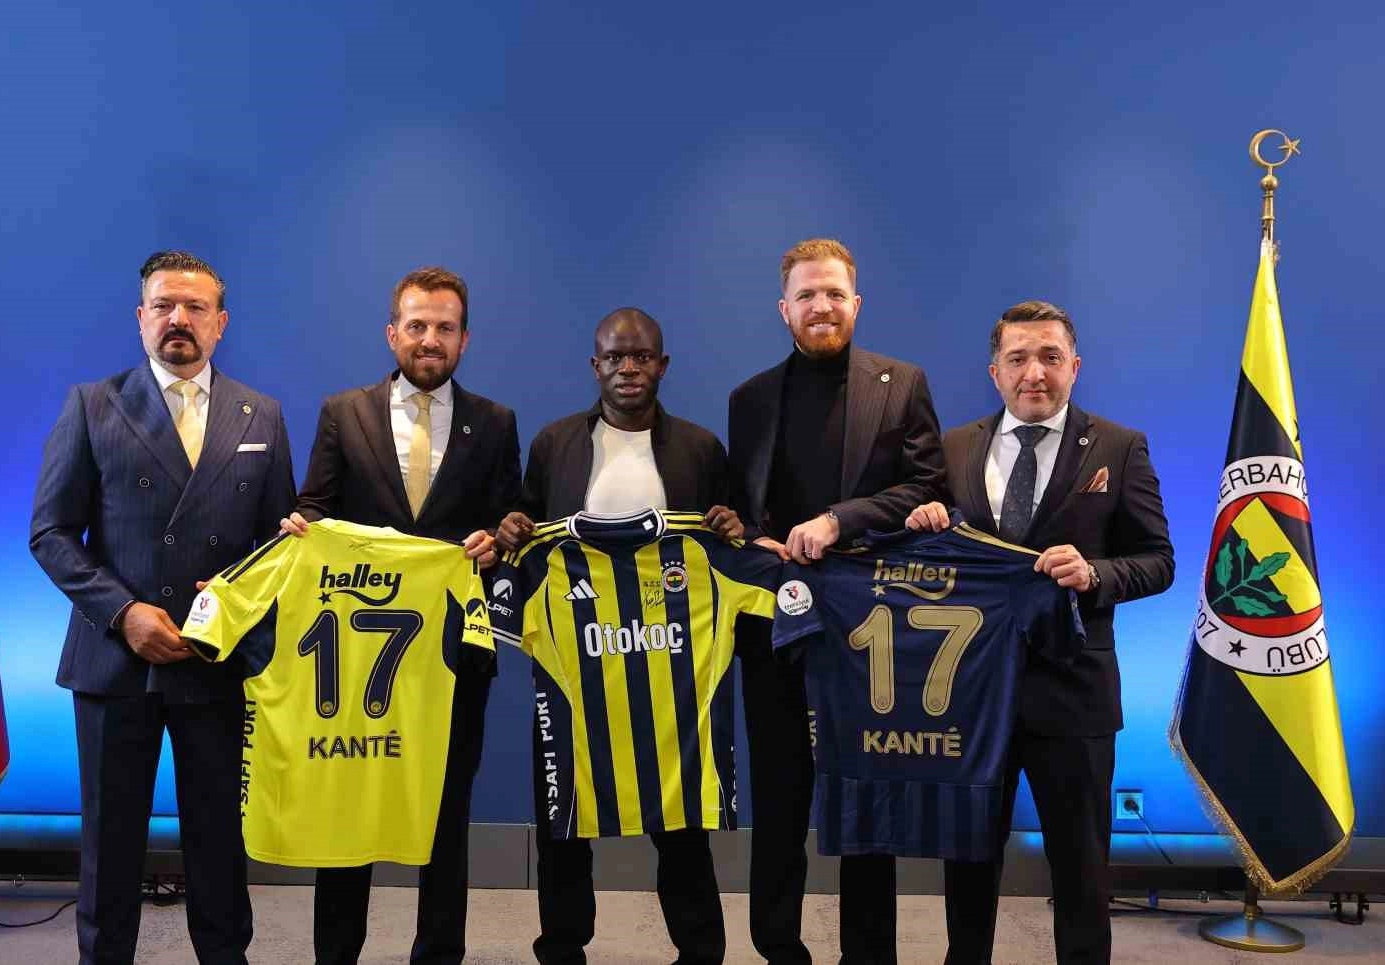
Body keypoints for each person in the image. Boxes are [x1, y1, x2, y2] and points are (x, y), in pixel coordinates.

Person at [31, 251, 296, 965]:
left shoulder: (263, 414)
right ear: (141, 317)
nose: (179, 318)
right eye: (164, 306)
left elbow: (277, 547)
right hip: (115, 661)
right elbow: (50, 532)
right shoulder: (93, 404)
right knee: (110, 838)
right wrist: (125, 613)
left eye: (195, 307)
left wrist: (242, 610)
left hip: (216, 661)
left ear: (221, 323)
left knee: (219, 837)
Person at [906, 300, 1174, 965]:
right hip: (972, 696)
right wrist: (922, 526)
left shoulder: (1119, 447)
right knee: (968, 862)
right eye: (1018, 358)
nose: (1035, 373)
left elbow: (1159, 560)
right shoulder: (953, 448)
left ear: (1074, 366)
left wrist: (1096, 573)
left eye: (1050, 357)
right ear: (994, 372)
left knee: (1081, 869)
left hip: (1074, 694)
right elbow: (934, 562)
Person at [282, 266, 521, 965]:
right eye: (417, 325)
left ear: (465, 339)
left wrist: (497, 540)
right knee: (349, 808)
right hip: (359, 658)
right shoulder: (343, 412)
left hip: (452, 651)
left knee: (445, 811)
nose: (430, 339)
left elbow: (509, 518)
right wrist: (303, 530)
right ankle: (336, 954)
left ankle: (439, 952)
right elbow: (316, 506)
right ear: (393, 333)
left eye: (445, 327)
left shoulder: (496, 422)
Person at [494, 307, 743, 965]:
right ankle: (562, 947)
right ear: (595, 365)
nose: (628, 369)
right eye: (615, 357)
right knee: (564, 819)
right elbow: (525, 526)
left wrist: (731, 525)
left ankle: (701, 951)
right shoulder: (554, 444)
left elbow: (729, 546)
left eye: (641, 357)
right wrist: (513, 525)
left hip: (670, 669)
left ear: (662, 365)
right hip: (578, 666)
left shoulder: (700, 448)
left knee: (680, 821)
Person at [726, 238, 946, 964]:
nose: (821, 305)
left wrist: (837, 520)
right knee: (779, 795)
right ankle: (777, 947)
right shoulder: (750, 399)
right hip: (775, 625)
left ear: (857, 302)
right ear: (784, 309)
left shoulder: (902, 383)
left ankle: (868, 954)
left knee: (866, 795)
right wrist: (752, 538)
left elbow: (926, 487)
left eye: (833, 293)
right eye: (807, 295)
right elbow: (740, 511)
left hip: (869, 626)